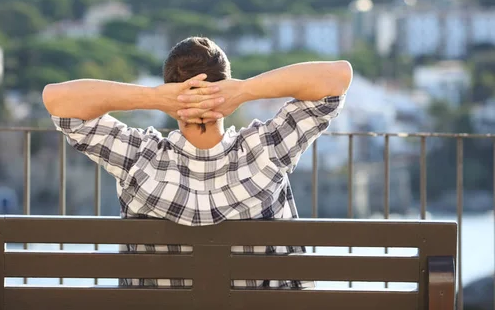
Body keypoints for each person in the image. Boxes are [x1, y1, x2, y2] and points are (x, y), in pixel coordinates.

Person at [42, 36, 352, 289]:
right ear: (225, 88)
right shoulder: (266, 150)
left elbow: (57, 100)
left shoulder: (138, 157)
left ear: (170, 89)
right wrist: (244, 91)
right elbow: (337, 77)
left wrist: (154, 97)